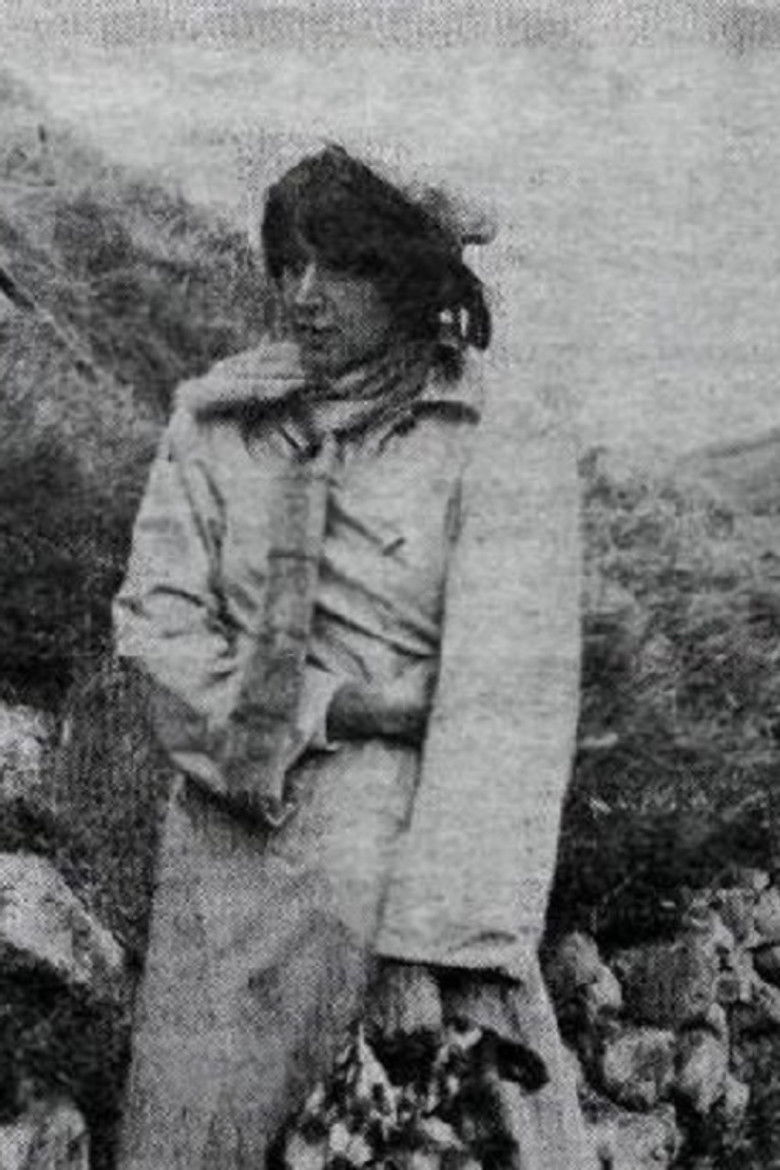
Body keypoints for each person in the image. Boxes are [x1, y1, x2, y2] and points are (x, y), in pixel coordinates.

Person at [113, 144, 595, 1169]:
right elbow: (156, 629)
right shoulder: (219, 426)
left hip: (399, 903)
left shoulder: (499, 438)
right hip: (225, 905)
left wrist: (424, 954)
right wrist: (334, 707)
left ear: (410, 278)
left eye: (344, 267)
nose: (306, 296)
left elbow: (509, 707)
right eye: (291, 264)